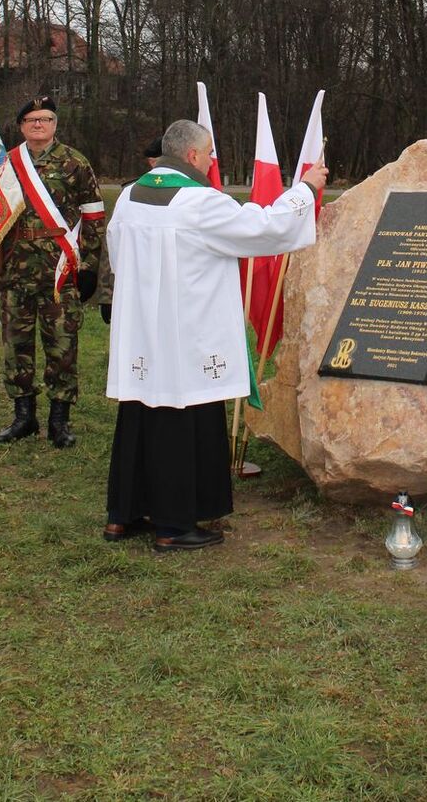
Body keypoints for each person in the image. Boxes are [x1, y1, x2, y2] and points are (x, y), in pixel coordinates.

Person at [103, 119, 327, 553]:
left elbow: (118, 252)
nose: (210, 163)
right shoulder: (199, 202)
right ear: (191, 156)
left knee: (140, 414)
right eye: (208, 155)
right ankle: (173, 524)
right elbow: (263, 228)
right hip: (186, 331)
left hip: (143, 332)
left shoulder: (130, 195)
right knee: (179, 418)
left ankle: (123, 514)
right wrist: (306, 189)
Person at [0, 96, 104, 448]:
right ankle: (23, 416)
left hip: (60, 270)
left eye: (45, 119)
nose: (38, 125)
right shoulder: (5, 163)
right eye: (31, 120)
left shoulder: (75, 163)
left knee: (62, 345)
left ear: (55, 124)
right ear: (21, 126)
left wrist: (88, 266)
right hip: (16, 268)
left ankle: (60, 420)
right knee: (16, 345)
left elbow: (94, 217)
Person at [97, 135, 163, 324]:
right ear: (152, 162)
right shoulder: (131, 193)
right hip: (138, 287)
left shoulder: (192, 193)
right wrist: (108, 296)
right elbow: (114, 245)